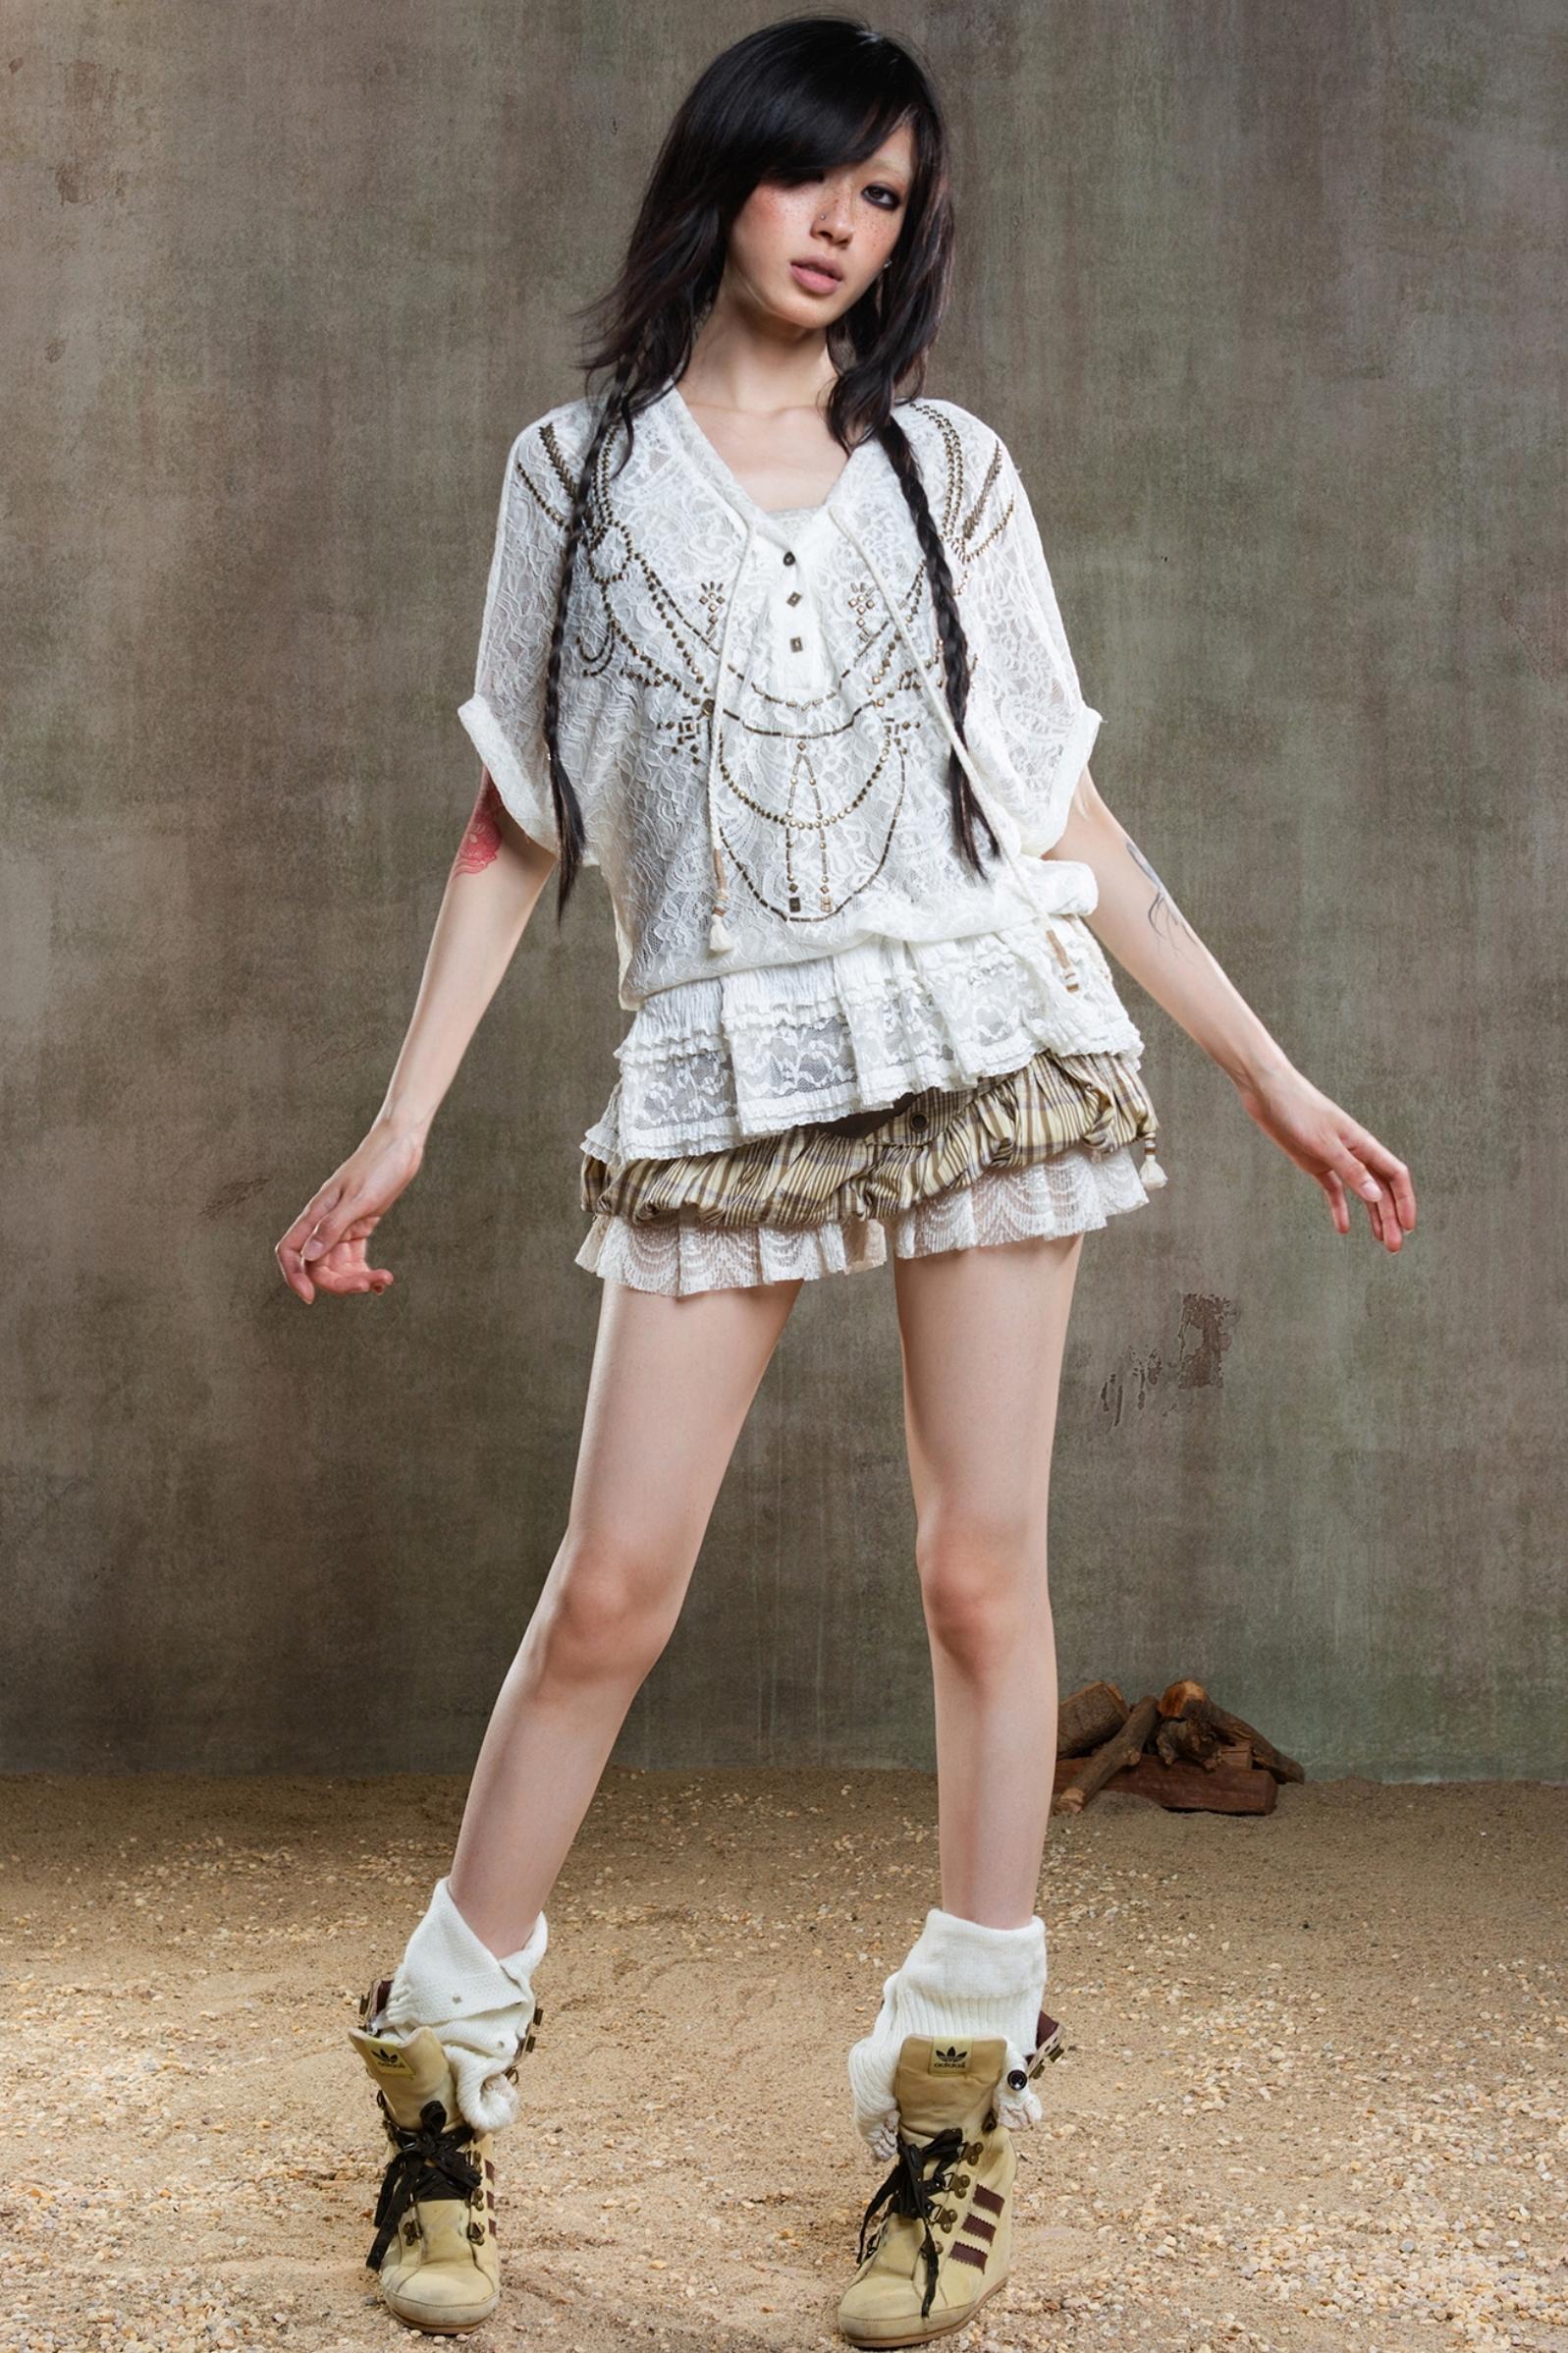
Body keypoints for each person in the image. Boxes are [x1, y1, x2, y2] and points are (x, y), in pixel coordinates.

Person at [275, 17, 1416, 2343]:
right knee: (612, 1587)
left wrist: (1272, 1069)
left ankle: (953, 2110)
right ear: (726, 175)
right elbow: (518, 819)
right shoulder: (576, 473)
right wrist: (402, 1122)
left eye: (885, 198)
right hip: (725, 1057)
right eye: (814, 177)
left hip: (987, 1040)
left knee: (981, 1577)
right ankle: (438, 2077)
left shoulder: (946, 472)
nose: (841, 227)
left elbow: (1059, 807)